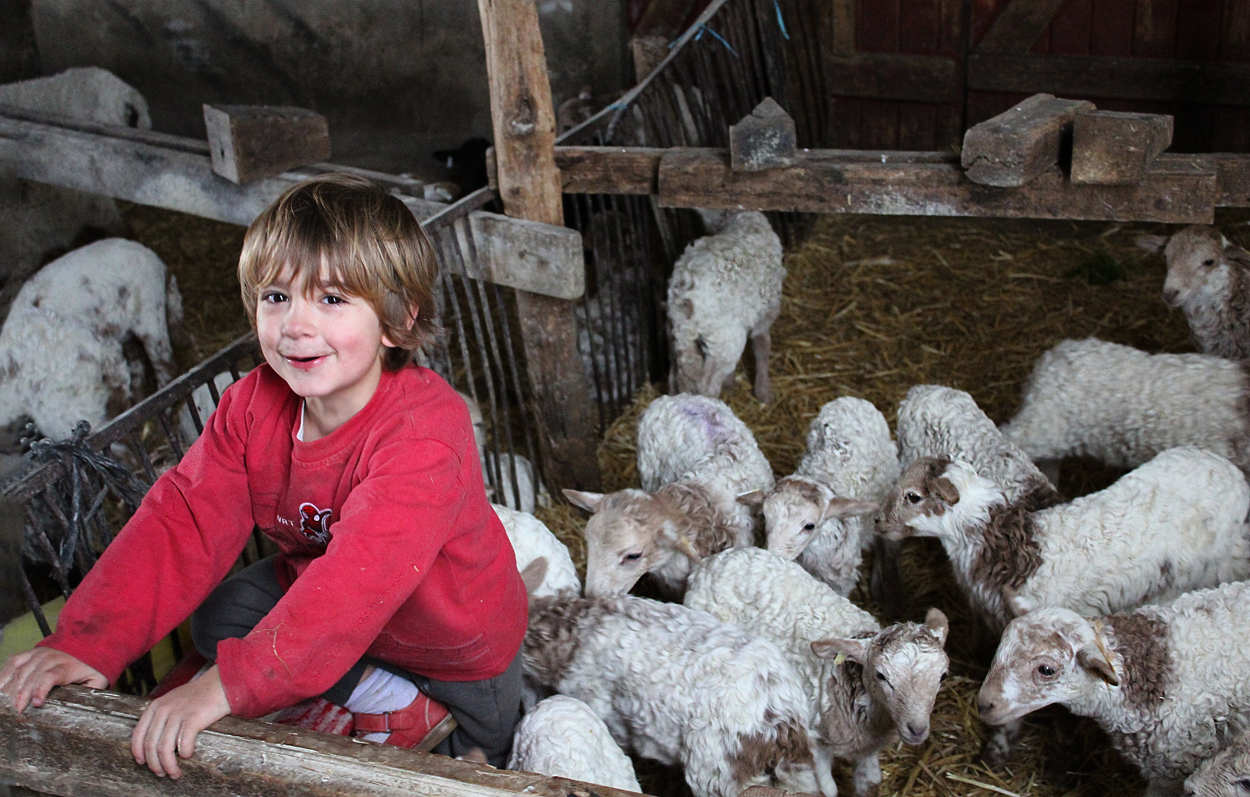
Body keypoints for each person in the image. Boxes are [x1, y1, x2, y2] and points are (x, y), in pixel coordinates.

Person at [0, 173, 528, 778]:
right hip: (337, 613)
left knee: (482, 764)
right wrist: (88, 640)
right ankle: (384, 698)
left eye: (331, 299)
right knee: (218, 619)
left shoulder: (426, 435)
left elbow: (355, 587)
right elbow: (184, 521)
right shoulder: (251, 406)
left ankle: (407, 705)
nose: (296, 325)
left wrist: (225, 688)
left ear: (398, 322)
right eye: (276, 296)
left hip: (450, 646)